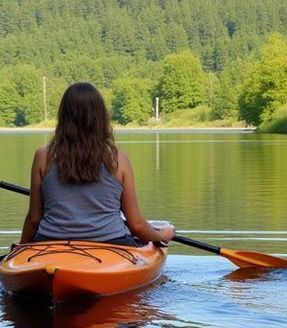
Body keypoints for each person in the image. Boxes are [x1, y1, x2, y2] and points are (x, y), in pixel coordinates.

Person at [19, 82, 175, 246]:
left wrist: (18, 250)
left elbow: (34, 219)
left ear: (63, 117)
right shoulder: (118, 158)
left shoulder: (42, 156)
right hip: (112, 243)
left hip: (50, 242)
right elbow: (136, 225)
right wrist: (162, 234)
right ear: (100, 117)